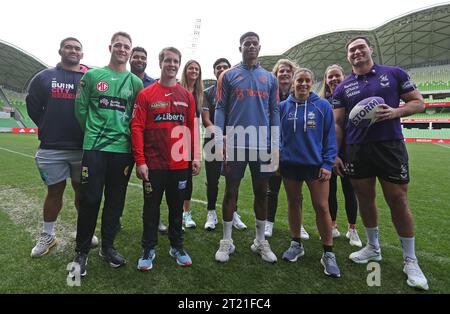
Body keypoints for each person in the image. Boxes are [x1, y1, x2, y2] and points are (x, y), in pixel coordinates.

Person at [332, 36, 428, 290]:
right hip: (356, 149)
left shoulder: (393, 74)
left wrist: (396, 112)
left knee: (397, 199)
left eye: (361, 47)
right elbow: (338, 124)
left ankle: (410, 259)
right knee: (365, 199)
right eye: (352, 50)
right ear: (348, 57)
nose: (357, 52)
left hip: (389, 146)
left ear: (370, 50)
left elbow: (418, 102)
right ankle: (373, 247)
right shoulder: (343, 87)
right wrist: (334, 153)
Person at [69, 32, 143, 278]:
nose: (122, 49)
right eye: (118, 45)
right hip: (95, 148)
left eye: (126, 46)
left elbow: (136, 119)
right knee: (90, 199)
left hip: (122, 151)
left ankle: (107, 247)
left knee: (115, 201)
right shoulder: (91, 76)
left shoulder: (135, 83)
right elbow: (80, 110)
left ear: (130, 52)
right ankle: (81, 251)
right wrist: (93, 133)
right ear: (110, 47)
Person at [26, 37, 98, 257]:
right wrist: (50, 127)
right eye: (69, 47)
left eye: (77, 48)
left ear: (82, 54)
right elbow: (33, 108)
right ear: (60, 51)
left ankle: (83, 231)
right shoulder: (44, 77)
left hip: (82, 148)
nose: (73, 51)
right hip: (51, 148)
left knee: (81, 193)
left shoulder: (91, 78)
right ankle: (48, 235)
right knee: (54, 192)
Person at [131, 47, 201, 270]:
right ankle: (148, 248)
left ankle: (177, 246)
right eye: (168, 60)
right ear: (160, 63)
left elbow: (191, 127)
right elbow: (137, 127)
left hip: (179, 163)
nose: (171, 64)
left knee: (176, 207)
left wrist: (195, 157)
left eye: (175, 61)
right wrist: (140, 160)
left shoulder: (186, 96)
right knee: (151, 208)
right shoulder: (146, 94)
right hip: (153, 164)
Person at [214, 32, 278, 263]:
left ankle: (260, 241)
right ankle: (227, 241)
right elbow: (220, 108)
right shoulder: (228, 75)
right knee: (231, 191)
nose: (250, 46)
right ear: (239, 47)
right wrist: (220, 139)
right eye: (246, 44)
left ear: (259, 47)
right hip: (235, 142)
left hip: (262, 143)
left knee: (263, 192)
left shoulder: (269, 78)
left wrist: (275, 143)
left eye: (254, 43)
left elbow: (275, 111)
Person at [279, 68, 340, 278]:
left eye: (307, 81)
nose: (303, 84)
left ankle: (328, 253)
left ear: (312, 83)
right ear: (293, 82)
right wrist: (279, 158)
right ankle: (296, 243)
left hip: (316, 165)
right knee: (293, 203)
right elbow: (277, 136)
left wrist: (328, 163)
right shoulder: (282, 107)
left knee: (322, 207)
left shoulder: (323, 106)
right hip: (290, 165)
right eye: (300, 81)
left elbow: (330, 138)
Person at [265, 58, 309, 240]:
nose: (284, 74)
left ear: (293, 75)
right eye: (280, 71)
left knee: (296, 192)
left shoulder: (301, 95)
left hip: (295, 150)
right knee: (271, 188)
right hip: (273, 148)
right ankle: (269, 222)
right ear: (275, 75)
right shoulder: (269, 94)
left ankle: (299, 225)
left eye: (287, 71)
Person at [319, 64, 362, 247]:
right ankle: (332, 226)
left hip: (349, 151)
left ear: (343, 77)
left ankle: (352, 229)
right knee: (329, 192)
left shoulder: (352, 98)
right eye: (330, 76)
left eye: (337, 76)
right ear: (326, 80)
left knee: (349, 191)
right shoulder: (320, 101)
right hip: (326, 152)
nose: (334, 79)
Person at [202, 57, 247, 231]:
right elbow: (206, 120)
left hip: (236, 141)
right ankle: (211, 212)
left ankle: (233, 212)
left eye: (225, 67)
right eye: (218, 67)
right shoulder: (208, 92)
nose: (221, 69)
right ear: (214, 72)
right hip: (212, 141)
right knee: (212, 180)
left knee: (233, 180)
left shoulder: (238, 91)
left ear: (230, 70)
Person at [129, 46, 168, 234]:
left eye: (142, 57)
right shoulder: (121, 79)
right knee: (117, 185)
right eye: (135, 57)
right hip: (121, 140)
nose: (139, 60)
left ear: (147, 61)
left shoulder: (153, 84)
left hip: (147, 143)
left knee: (151, 186)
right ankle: (117, 217)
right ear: (130, 58)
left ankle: (156, 219)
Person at [179, 60, 203, 229]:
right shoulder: (178, 88)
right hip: (176, 137)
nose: (194, 71)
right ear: (185, 70)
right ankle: (175, 213)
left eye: (196, 69)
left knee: (187, 178)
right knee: (173, 178)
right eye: (191, 68)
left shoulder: (201, 93)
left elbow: (198, 122)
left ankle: (186, 213)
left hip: (193, 135)